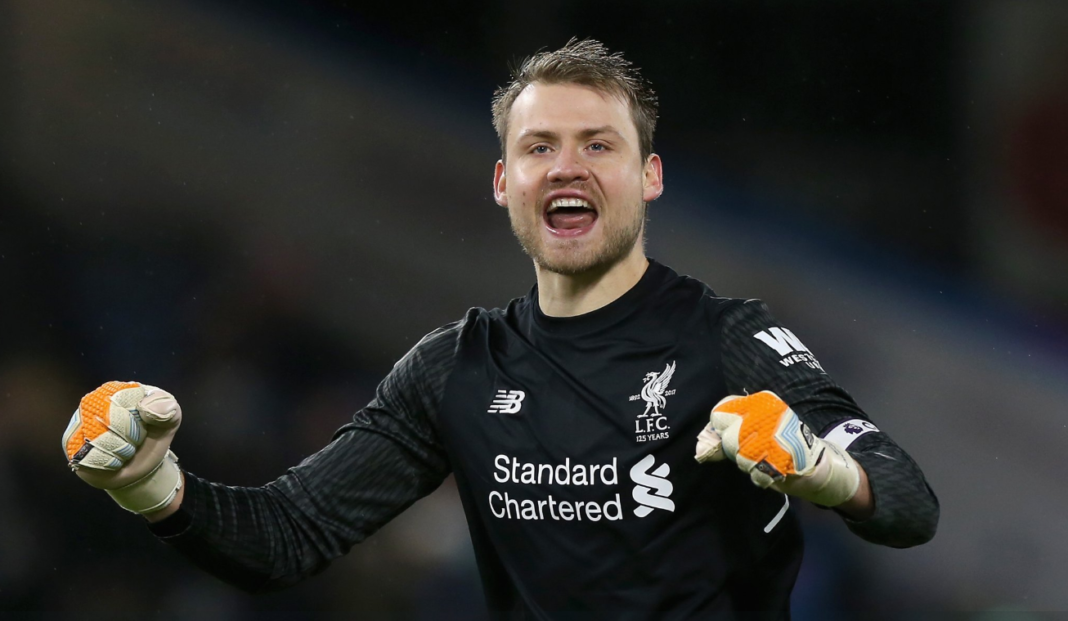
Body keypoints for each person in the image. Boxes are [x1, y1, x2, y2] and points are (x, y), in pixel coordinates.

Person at [64, 39, 938, 620]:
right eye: (539, 147)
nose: (567, 168)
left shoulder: (729, 340)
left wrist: (819, 467)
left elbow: (908, 503)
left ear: (651, 176)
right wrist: (151, 484)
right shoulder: (456, 367)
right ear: (503, 181)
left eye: (599, 145)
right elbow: (286, 536)